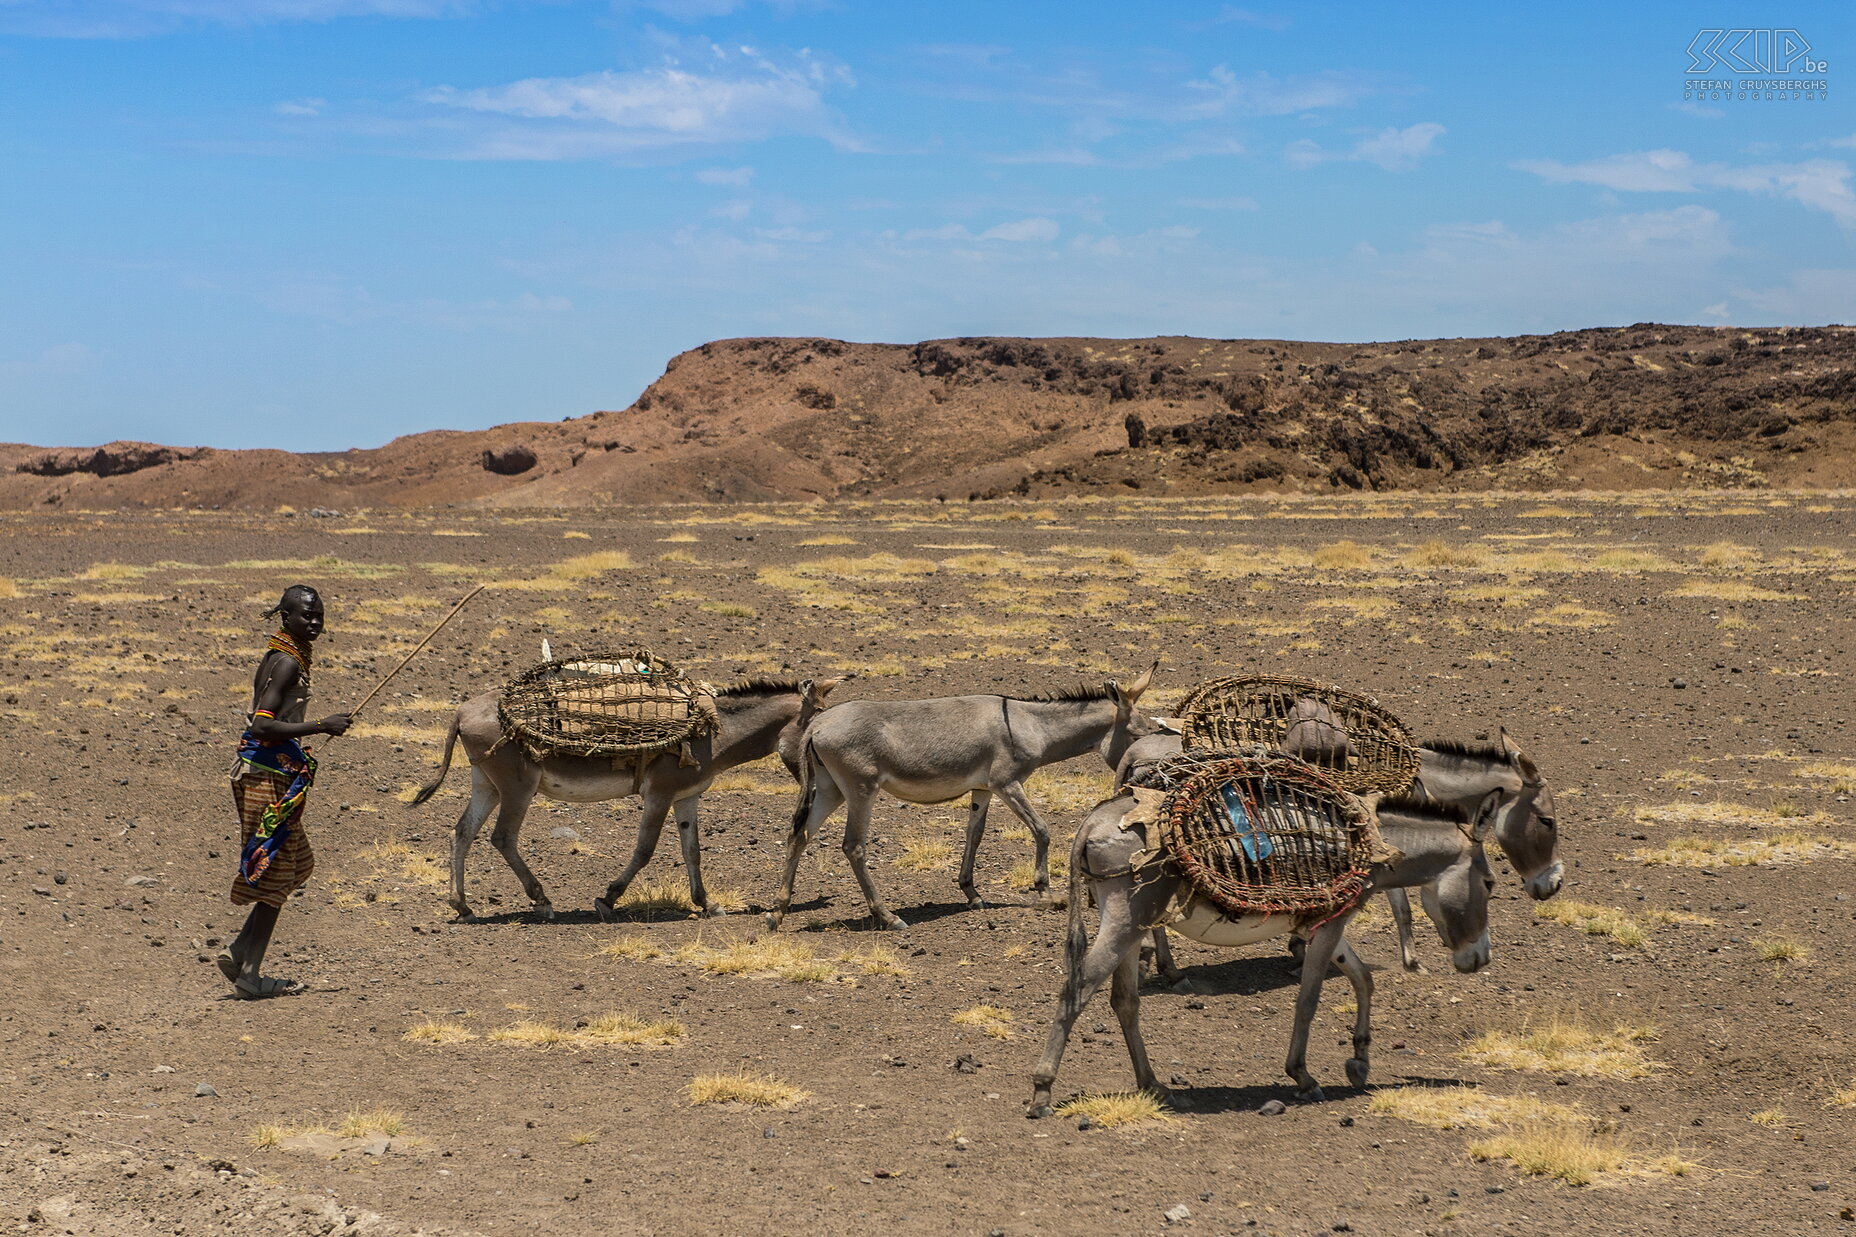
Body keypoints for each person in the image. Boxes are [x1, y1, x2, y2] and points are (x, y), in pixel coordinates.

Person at [216, 585, 350, 999]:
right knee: (278, 871)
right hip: (263, 776)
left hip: (266, 771)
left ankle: (240, 950)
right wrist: (321, 726)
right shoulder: (288, 662)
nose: (314, 622)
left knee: (296, 865)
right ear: (285, 617)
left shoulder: (284, 655)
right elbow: (261, 726)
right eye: (305, 615)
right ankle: (250, 975)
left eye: (318, 616)